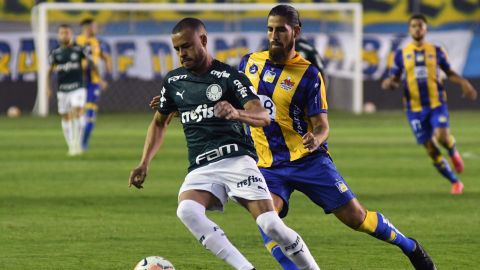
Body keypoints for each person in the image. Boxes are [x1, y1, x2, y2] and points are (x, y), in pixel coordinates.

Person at [239, 5, 436, 270]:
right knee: (266, 219)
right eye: (270, 29)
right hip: (268, 165)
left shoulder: (309, 75)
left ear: (295, 31)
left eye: (281, 30)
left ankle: (409, 246)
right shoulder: (248, 63)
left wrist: (317, 139)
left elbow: (322, 125)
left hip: (309, 161)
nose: (274, 35)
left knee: (357, 218)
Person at [129, 18, 320, 270]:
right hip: (201, 166)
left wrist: (237, 113)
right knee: (186, 210)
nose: (181, 54)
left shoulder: (229, 77)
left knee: (271, 225)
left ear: (204, 41)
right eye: (176, 49)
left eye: (186, 46)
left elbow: (263, 116)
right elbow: (159, 123)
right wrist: (144, 163)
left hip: (236, 160)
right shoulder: (173, 82)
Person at [382, 14, 477, 195]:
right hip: (414, 109)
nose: (417, 29)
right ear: (409, 30)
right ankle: (455, 182)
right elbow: (393, 79)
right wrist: (389, 83)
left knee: (442, 137)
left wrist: (464, 83)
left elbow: (449, 72)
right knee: (431, 149)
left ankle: (452, 150)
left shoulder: (437, 51)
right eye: (414, 26)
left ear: (426, 29)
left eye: (420, 26)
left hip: (436, 103)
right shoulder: (401, 55)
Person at [48, 24, 91, 156]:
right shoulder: (55, 53)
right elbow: (49, 71)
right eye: (61, 33)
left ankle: (77, 144)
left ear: (71, 34)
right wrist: (47, 88)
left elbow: (88, 64)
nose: (64, 35)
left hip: (78, 86)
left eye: (66, 33)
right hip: (63, 89)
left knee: (78, 110)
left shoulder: (80, 50)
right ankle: (71, 145)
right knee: (66, 116)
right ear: (58, 35)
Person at [76, 18, 112, 151]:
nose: (96, 29)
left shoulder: (98, 42)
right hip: (78, 83)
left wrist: (107, 71)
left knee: (90, 115)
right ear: (87, 28)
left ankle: (83, 143)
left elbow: (105, 57)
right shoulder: (76, 42)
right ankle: (77, 141)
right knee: (79, 114)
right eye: (94, 26)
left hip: (93, 83)